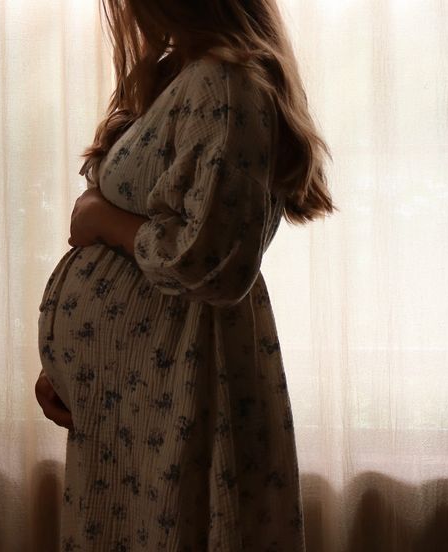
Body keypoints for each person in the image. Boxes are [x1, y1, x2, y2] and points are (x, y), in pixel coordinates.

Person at [35, 0, 336, 549]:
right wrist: (75, 370)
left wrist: (103, 220)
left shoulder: (225, 84)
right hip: (134, 404)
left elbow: (211, 261)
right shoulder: (186, 74)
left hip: (184, 392)